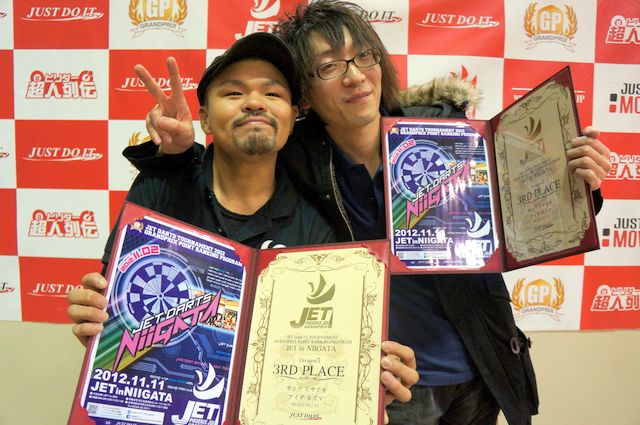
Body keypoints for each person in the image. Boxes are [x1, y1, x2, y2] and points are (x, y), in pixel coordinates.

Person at [107, 2, 612, 424]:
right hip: (386, 381)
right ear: (305, 95)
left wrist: (574, 183)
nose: (354, 76)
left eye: (362, 56)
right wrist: (176, 155)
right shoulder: (299, 155)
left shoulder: (447, 133)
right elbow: (234, 159)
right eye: (328, 66)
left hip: (481, 363)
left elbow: (523, 216)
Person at [67, 30, 419, 422]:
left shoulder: (318, 231)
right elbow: (111, 316)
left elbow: (322, 357)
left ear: (293, 117)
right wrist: (98, 322)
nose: (254, 102)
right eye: (234, 92)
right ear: (204, 117)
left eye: (272, 93)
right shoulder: (160, 188)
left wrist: (363, 389)